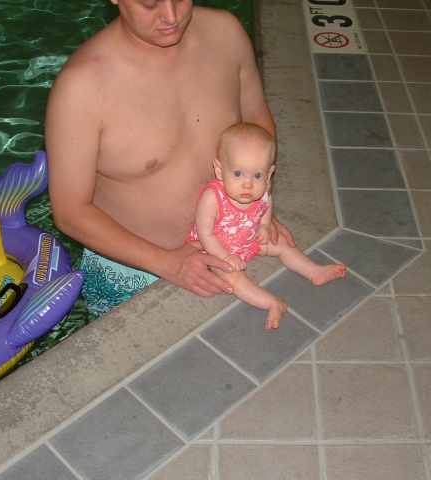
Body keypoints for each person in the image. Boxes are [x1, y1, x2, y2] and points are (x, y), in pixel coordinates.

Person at [45, 0, 294, 317]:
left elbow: (257, 120)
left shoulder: (226, 35)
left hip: (236, 239)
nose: (171, 16)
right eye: (149, 4)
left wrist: (254, 204)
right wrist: (167, 262)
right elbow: (69, 211)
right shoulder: (81, 87)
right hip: (133, 274)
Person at [187, 123, 347, 329]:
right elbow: (205, 233)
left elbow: (267, 201)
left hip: (249, 239)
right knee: (232, 279)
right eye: (237, 174)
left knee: (279, 241)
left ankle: (314, 271)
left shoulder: (263, 188)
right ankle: (272, 303)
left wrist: (264, 224)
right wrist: (225, 257)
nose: (248, 184)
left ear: (269, 174)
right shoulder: (212, 198)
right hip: (216, 249)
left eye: (257, 176)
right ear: (219, 170)